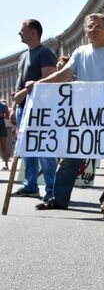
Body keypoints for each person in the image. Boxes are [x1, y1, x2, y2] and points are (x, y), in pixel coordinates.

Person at [31, 13, 104, 211]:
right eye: (90, 26)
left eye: (99, 26)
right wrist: (38, 84)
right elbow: (63, 74)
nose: (94, 29)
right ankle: (59, 199)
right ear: (85, 30)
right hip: (83, 110)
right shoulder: (80, 51)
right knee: (70, 154)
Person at [10, 19, 58, 201]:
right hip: (23, 109)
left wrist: (23, 93)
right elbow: (19, 85)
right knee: (27, 149)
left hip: (40, 109)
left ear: (32, 31)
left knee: (45, 149)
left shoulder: (45, 53)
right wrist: (15, 108)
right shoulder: (23, 56)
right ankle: (30, 186)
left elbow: (50, 81)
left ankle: (52, 188)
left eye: (22, 30)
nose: (19, 33)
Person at [0, 99, 10, 170]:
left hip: (2, 126)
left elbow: (8, 116)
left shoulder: (4, 105)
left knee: (4, 147)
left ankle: (6, 165)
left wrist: (2, 116)